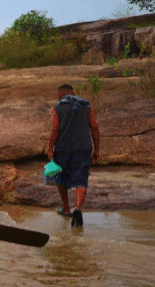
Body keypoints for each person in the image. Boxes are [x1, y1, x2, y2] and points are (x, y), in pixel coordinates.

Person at [48, 83, 100, 227]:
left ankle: (66, 209)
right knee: (81, 179)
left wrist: (50, 149)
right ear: (73, 93)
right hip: (83, 148)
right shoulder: (86, 105)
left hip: (63, 148)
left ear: (60, 95)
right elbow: (95, 128)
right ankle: (77, 208)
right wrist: (97, 150)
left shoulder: (57, 107)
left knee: (60, 177)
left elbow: (54, 129)